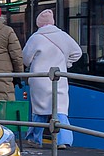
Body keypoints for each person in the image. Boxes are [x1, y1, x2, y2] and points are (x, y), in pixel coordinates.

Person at [23, 9, 83, 147]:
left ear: (39, 24)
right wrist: (67, 63)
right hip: (59, 78)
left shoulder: (35, 38)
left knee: (39, 109)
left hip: (40, 79)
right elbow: (77, 52)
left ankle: (34, 138)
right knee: (60, 109)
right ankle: (64, 140)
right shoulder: (63, 36)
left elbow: (25, 58)